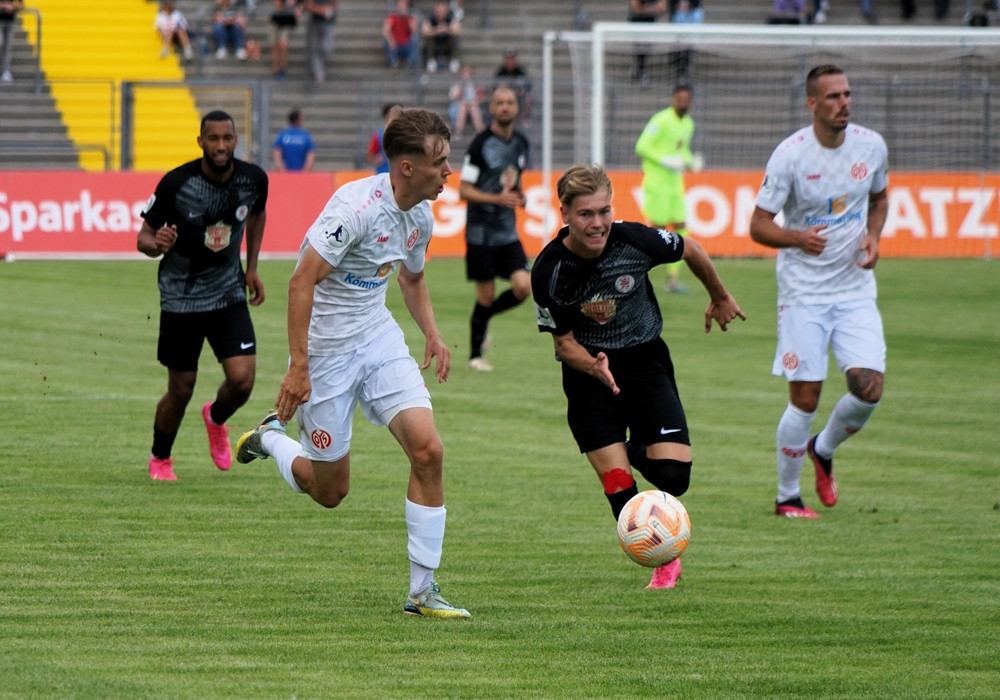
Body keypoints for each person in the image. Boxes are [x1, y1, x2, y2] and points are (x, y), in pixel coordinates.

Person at [234, 106, 470, 619]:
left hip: (378, 338)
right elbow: (301, 282)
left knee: (428, 451)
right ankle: (271, 438)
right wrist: (300, 366)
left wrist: (432, 332)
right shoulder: (354, 208)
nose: (449, 171)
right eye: (441, 161)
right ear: (407, 167)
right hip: (326, 354)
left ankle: (422, 592)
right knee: (329, 492)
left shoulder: (421, 213)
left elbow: (410, 277)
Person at [531, 163, 745, 589]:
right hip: (589, 374)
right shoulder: (550, 270)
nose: (598, 223)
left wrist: (718, 295)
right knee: (617, 482)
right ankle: (661, 559)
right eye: (586, 214)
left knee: (673, 480)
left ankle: (627, 445)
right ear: (565, 215)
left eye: (604, 211)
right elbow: (562, 343)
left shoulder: (635, 239)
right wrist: (592, 365)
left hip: (646, 364)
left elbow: (692, 249)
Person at [749, 64, 889, 519]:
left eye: (847, 94)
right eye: (833, 96)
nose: (844, 102)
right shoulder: (790, 156)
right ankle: (787, 496)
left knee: (869, 390)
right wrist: (797, 238)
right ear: (813, 103)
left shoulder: (871, 147)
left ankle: (823, 449)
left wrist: (874, 236)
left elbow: (880, 197)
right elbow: (758, 225)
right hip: (803, 293)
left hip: (853, 289)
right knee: (805, 397)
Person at [137, 110, 269, 482]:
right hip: (181, 298)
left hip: (228, 291)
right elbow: (143, 238)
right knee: (180, 390)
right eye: (213, 139)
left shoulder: (253, 180)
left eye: (227, 138)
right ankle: (160, 458)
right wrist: (156, 245)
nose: (221, 146)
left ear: (235, 140)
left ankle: (215, 417)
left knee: (242, 381)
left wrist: (252, 267)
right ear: (201, 142)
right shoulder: (176, 183)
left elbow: (257, 215)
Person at [459, 86, 531, 371]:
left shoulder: (522, 143)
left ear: (516, 107)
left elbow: (515, 182)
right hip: (481, 234)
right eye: (499, 102)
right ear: (491, 108)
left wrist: (520, 196)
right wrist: (496, 199)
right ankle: (475, 356)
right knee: (485, 296)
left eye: (509, 102)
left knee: (524, 287)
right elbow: (464, 190)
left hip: (508, 233)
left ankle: (485, 319)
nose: (504, 107)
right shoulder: (479, 145)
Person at [634, 84, 703, 294]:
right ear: (673, 98)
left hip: (675, 185)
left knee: (682, 228)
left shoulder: (688, 124)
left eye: (686, 99)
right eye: (679, 98)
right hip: (657, 183)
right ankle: (634, 276)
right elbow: (641, 146)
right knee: (657, 233)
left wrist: (691, 161)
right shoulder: (661, 120)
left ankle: (672, 279)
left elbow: (681, 151)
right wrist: (664, 161)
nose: (683, 103)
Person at [628, 0, 667, 86]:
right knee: (640, 45)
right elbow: (635, 7)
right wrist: (650, 9)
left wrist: (649, 9)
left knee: (647, 47)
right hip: (637, 21)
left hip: (650, 22)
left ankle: (638, 67)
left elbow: (662, 8)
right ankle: (640, 69)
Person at [494, 49, 533, 128]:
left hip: (518, 97)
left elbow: (526, 87)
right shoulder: (501, 72)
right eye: (508, 59)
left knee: (528, 98)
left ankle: (523, 119)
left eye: (512, 59)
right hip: (505, 96)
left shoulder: (520, 72)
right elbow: (496, 87)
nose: (510, 62)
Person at [421, 0, 461, 74]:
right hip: (435, 45)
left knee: (455, 38)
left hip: (447, 44)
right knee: (429, 38)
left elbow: (458, 31)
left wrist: (447, 29)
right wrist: (436, 30)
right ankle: (431, 60)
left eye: (443, 11)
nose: (440, 13)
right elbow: (424, 32)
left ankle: (454, 61)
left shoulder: (451, 17)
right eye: (439, 11)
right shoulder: (430, 18)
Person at [272, 108, 316, 172]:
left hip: (285, 175)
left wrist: (282, 171)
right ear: (299, 120)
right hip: (301, 174)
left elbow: (277, 156)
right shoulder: (305, 136)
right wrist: (305, 172)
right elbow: (310, 156)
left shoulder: (282, 135)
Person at [304, 0, 337, 83]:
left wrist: (323, 9)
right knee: (313, 49)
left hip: (328, 22)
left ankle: (318, 66)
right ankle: (319, 74)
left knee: (327, 47)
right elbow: (307, 4)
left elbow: (334, 4)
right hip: (314, 22)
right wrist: (319, 10)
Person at [448, 65, 485, 136]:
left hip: (473, 106)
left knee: (473, 106)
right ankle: (459, 131)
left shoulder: (476, 85)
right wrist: (462, 88)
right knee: (463, 105)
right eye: (465, 74)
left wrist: (477, 100)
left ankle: (480, 130)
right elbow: (453, 98)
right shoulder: (457, 85)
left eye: (469, 74)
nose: (467, 76)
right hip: (458, 107)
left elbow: (482, 98)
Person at [365, 102, 400, 175]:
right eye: (390, 116)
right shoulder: (379, 134)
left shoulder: (406, 133)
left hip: (400, 175)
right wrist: (375, 160)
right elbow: (369, 155)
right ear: (386, 117)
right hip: (383, 173)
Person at [269, 0, 301, 80]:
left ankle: (283, 69)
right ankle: (276, 70)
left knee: (283, 44)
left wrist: (299, 8)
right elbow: (278, 5)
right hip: (276, 20)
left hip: (288, 21)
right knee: (275, 46)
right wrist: (288, 4)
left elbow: (303, 4)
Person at [382, 0, 417, 70]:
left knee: (415, 39)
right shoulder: (392, 17)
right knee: (385, 40)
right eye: (400, 6)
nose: (401, 8)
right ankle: (393, 62)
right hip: (395, 46)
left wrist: (412, 22)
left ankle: (410, 63)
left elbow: (415, 32)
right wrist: (391, 39)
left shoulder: (410, 18)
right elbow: (385, 30)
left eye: (403, 6)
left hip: (406, 46)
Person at [0, 0, 23, 82]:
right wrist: (3, 6)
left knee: (7, 47)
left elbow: (21, 5)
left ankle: (5, 72)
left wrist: (13, 7)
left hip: (10, 20)